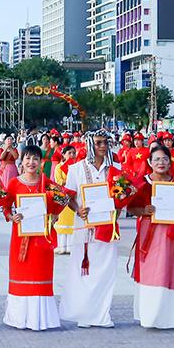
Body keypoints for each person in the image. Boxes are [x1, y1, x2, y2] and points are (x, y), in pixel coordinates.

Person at [126, 144, 174, 329]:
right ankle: (151, 315)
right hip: (150, 232)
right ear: (149, 162)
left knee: (172, 267)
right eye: (156, 159)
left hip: (173, 232)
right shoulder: (142, 183)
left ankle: (173, 317)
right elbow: (130, 208)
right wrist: (144, 210)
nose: (161, 163)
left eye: (165, 159)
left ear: (170, 161)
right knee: (153, 270)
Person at [62, 131, 120, 328]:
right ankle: (85, 315)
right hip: (84, 227)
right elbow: (68, 197)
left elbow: (122, 197)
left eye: (105, 142)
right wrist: (78, 210)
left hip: (107, 227)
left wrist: (116, 211)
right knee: (85, 271)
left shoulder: (116, 168)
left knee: (106, 271)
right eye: (98, 143)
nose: (102, 146)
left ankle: (102, 315)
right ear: (89, 144)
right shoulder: (76, 169)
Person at [3, 143, 61, 330]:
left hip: (41, 239)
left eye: (35, 158)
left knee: (41, 273)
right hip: (20, 238)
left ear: (41, 162)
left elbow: (60, 203)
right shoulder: (14, 183)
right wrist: (11, 216)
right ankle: (19, 318)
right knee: (21, 273)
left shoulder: (47, 183)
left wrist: (53, 216)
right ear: (22, 161)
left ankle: (42, 319)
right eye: (27, 158)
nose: (31, 162)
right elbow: (5, 206)